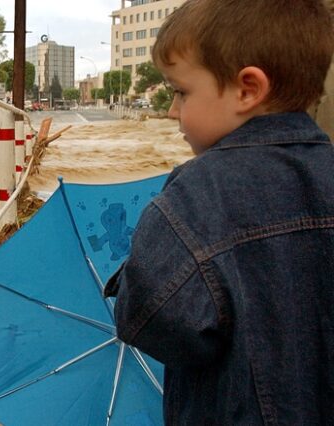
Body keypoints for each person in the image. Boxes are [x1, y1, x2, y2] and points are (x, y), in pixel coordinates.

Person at [103, 0, 334, 424]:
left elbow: (151, 322)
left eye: (181, 92)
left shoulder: (194, 199)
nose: (172, 111)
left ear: (247, 89)